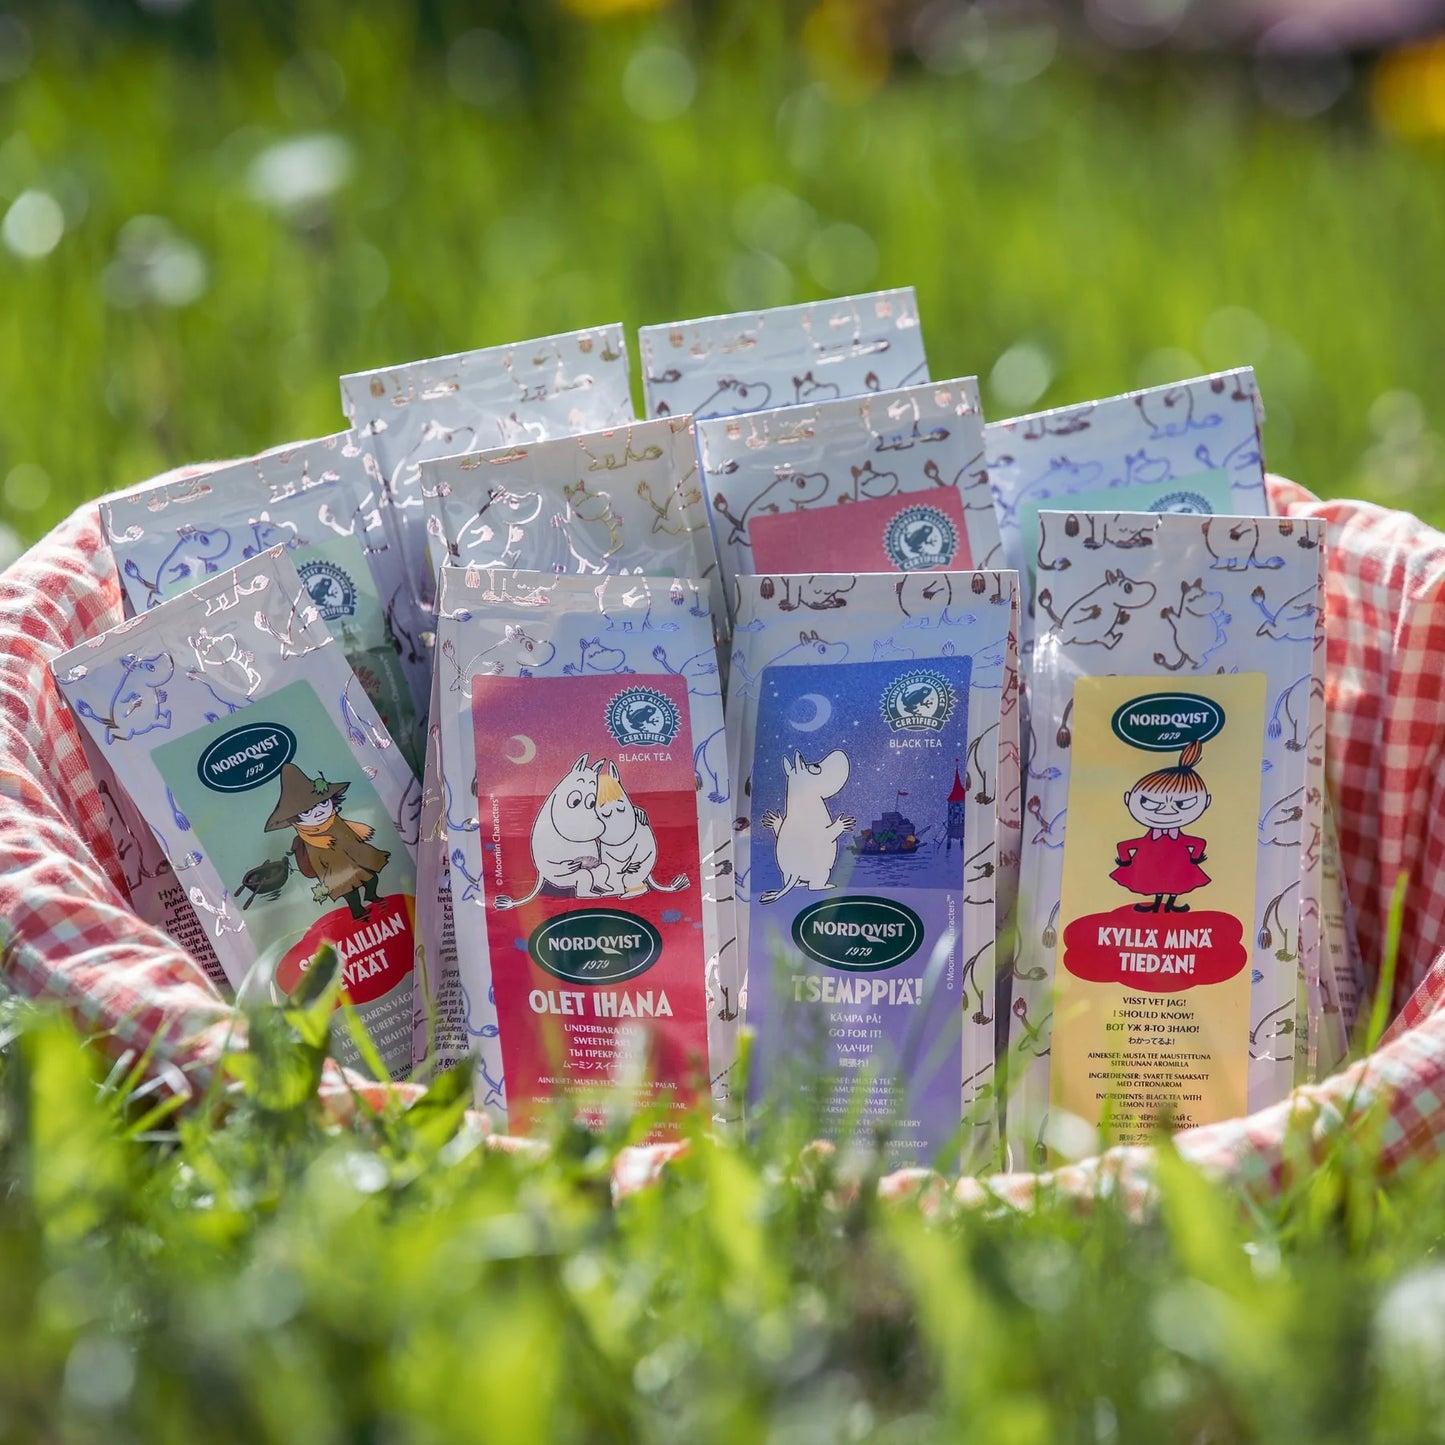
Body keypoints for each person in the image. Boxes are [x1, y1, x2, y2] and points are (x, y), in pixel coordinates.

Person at [264, 763, 389, 921]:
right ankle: (358, 913)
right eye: (307, 812)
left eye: (323, 803)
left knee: (372, 878)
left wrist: (359, 830)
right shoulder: (304, 838)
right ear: (293, 820)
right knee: (350, 893)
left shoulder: (335, 821)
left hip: (355, 860)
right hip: (334, 871)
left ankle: (371, 895)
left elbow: (348, 831)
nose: (318, 812)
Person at [1110, 740, 1211, 914]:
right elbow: (1124, 846)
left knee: (1175, 883)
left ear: (1206, 802)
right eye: (1149, 803)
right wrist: (1125, 860)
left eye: (1183, 804)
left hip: (1177, 863)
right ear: (1128, 799)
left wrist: (1195, 857)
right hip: (1153, 863)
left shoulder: (1177, 837)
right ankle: (1157, 905)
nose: (1166, 811)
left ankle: (1170, 905)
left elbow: (1199, 842)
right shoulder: (1151, 837)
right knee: (1157, 882)